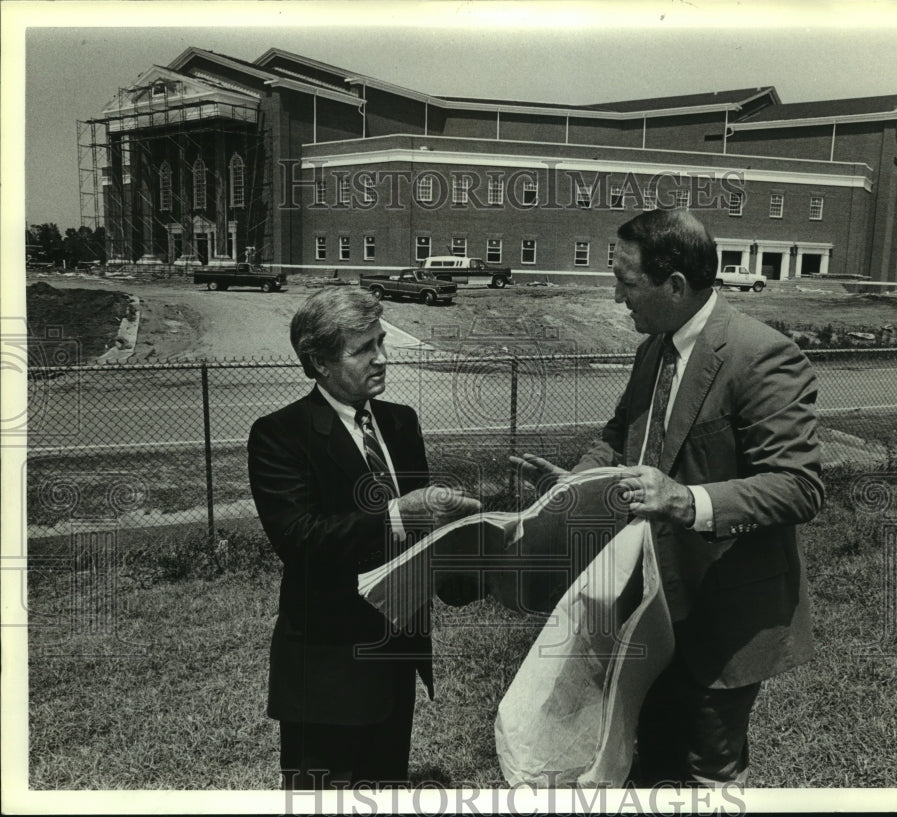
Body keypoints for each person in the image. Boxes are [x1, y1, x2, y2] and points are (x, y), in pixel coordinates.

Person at [513, 208, 824, 786]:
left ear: (675, 286)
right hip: (645, 607)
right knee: (643, 756)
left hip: (723, 614)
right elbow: (618, 438)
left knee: (708, 769)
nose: (615, 297)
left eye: (627, 284)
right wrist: (575, 484)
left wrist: (686, 500)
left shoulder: (761, 357)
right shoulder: (653, 349)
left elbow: (798, 486)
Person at [248, 287, 479, 789]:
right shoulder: (280, 435)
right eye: (364, 349)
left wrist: (472, 548)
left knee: (385, 788)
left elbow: (422, 536)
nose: (382, 358)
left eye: (381, 341)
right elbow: (301, 540)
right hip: (326, 669)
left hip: (396, 660)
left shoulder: (400, 423)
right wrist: (399, 512)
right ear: (319, 363)